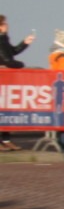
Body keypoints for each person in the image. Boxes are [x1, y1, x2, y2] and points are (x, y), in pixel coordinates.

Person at [0, 16, 33, 150]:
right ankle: (4, 140)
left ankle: (6, 140)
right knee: (2, 110)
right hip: (3, 79)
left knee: (6, 110)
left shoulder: (4, 38)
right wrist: (20, 65)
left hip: (7, 80)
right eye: (5, 23)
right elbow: (7, 60)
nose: (7, 25)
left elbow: (12, 52)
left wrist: (24, 43)